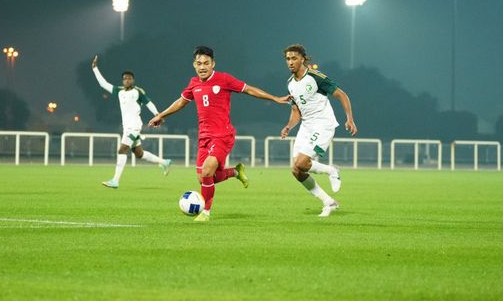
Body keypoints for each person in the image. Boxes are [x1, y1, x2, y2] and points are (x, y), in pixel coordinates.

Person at [149, 46, 290, 221]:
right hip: (204, 137)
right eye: (199, 63)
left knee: (208, 171)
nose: (202, 67)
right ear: (194, 65)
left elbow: (249, 89)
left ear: (213, 64)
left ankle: (205, 212)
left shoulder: (223, 79)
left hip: (223, 135)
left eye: (206, 63)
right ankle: (236, 172)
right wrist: (161, 115)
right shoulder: (194, 83)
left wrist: (275, 98)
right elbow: (181, 102)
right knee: (204, 178)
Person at [280, 44, 357, 217]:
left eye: (294, 58)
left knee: (301, 163)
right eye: (287, 59)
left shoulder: (315, 77)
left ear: (302, 59)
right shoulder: (290, 84)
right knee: (296, 170)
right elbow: (295, 111)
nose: (290, 62)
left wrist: (349, 118)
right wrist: (288, 126)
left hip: (323, 124)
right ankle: (328, 202)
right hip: (306, 126)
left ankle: (332, 170)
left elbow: (341, 94)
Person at [92, 55, 172, 189]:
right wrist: (95, 68)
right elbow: (103, 84)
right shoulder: (119, 91)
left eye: (129, 78)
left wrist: (157, 115)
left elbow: (149, 102)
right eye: (124, 78)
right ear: (122, 81)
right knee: (139, 153)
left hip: (134, 127)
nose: (127, 80)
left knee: (122, 150)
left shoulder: (137, 91)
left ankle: (115, 180)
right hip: (127, 128)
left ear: (133, 80)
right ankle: (164, 162)